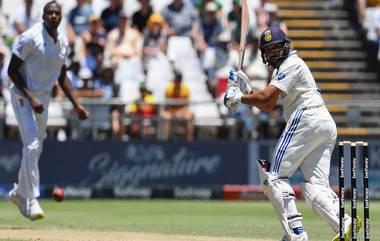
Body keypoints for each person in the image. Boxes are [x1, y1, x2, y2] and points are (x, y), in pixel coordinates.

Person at [224, 27, 360, 241]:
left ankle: (296, 235)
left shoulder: (292, 63)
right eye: (269, 51)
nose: (273, 54)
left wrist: (238, 97)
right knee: (314, 186)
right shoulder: (284, 69)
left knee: (273, 176)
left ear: (286, 46)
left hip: (306, 118)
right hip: (323, 123)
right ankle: (343, 221)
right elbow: (268, 104)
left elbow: (267, 96)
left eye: (277, 48)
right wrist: (247, 92)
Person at [7, 1, 89, 220]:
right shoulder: (29, 38)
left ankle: (18, 193)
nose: (53, 16)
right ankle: (31, 199)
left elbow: (62, 75)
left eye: (57, 13)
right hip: (23, 95)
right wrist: (31, 96)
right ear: (43, 16)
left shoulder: (62, 42)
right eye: (49, 13)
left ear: (61, 17)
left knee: (36, 147)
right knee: (32, 144)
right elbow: (12, 71)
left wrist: (76, 104)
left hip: (43, 98)